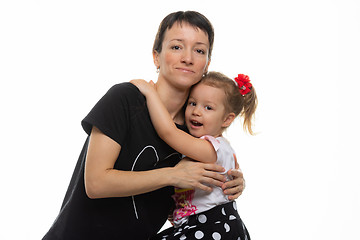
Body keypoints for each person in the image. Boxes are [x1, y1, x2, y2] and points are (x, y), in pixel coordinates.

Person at [42, 11, 245, 240]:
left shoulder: (195, 132)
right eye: (177, 47)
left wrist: (227, 185)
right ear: (156, 57)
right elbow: (96, 183)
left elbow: (184, 202)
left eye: (199, 50)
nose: (187, 58)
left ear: (207, 64)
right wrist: (173, 175)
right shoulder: (126, 99)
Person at [131, 71, 257, 240]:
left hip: (213, 226)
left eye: (208, 107)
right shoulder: (203, 146)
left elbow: (169, 133)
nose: (197, 111)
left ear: (227, 119)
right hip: (196, 224)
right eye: (192, 103)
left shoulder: (213, 148)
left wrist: (150, 94)